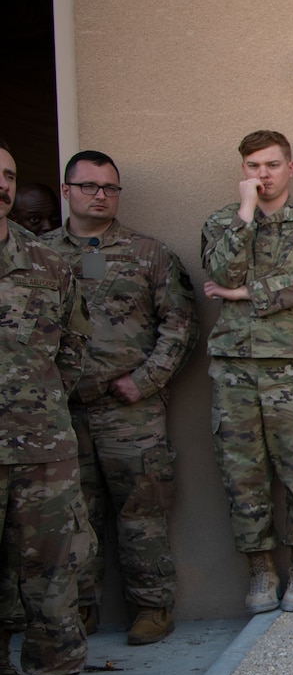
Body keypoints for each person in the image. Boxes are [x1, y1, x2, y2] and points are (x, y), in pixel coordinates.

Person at [41, 150, 193, 644]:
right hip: (61, 412)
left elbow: (179, 326)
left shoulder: (150, 254)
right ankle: (78, 610)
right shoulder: (38, 254)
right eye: (89, 186)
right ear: (67, 191)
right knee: (72, 514)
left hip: (131, 409)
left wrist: (145, 381)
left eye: (109, 187)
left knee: (142, 511)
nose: (100, 195)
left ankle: (151, 607)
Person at [199, 130, 293, 614]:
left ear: (290, 168)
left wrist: (245, 296)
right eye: (254, 166)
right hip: (236, 369)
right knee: (243, 475)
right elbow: (223, 273)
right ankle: (260, 570)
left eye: (272, 165)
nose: (263, 175)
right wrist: (243, 216)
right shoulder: (223, 223)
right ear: (243, 170)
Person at [0, 139, 104, 675]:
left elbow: (73, 347)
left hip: (41, 447)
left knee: (55, 573)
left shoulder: (47, 264)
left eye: (9, 175)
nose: (3, 184)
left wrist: (35, 405)